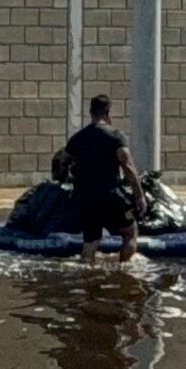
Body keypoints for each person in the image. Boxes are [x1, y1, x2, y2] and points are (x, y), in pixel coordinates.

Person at [60, 95, 136, 256]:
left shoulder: (78, 138)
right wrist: (139, 195)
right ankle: (124, 273)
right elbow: (128, 166)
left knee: (91, 242)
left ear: (90, 112)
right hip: (111, 196)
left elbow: (63, 161)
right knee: (130, 233)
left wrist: (68, 177)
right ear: (108, 112)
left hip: (87, 199)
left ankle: (86, 274)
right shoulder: (116, 136)